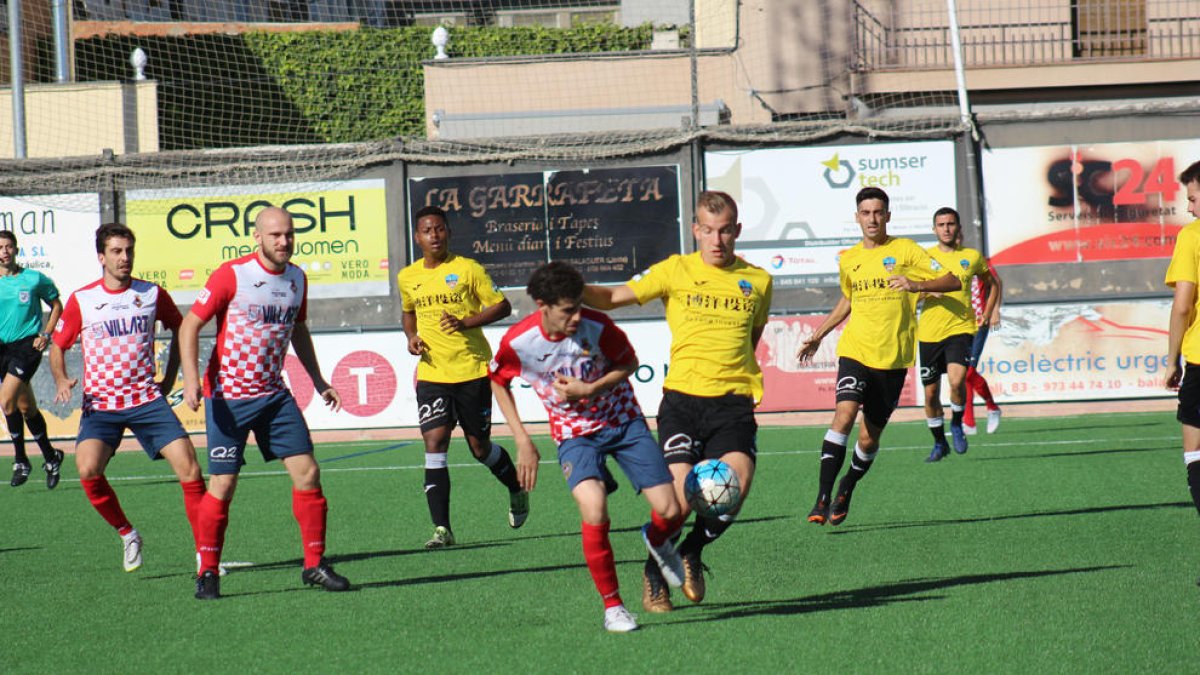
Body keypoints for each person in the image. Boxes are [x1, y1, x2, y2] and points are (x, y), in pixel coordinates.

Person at [582, 190, 772, 613]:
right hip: (683, 402)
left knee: (731, 492)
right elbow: (613, 298)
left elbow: (750, 338)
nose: (717, 240)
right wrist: (570, 288)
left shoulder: (758, 281)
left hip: (733, 404)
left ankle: (690, 552)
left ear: (737, 230)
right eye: (708, 231)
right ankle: (654, 571)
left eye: (725, 231)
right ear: (696, 230)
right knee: (682, 501)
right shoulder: (675, 270)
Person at [490, 262, 685, 633]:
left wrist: (592, 389)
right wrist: (521, 438)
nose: (578, 316)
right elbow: (498, 381)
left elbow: (629, 363)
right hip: (573, 433)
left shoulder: (598, 326)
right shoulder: (518, 342)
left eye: (580, 306)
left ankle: (656, 538)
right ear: (541, 304)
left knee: (671, 509)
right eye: (568, 310)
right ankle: (614, 607)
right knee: (594, 508)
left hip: (623, 422)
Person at [180, 206, 349, 600]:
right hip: (229, 397)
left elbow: (298, 329)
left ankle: (314, 565)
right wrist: (190, 379)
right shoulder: (233, 275)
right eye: (275, 235)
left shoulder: (296, 279)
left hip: (274, 394)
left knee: (308, 473)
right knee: (223, 484)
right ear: (257, 237)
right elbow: (190, 324)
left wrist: (318, 379)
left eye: (289, 234)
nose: (283, 241)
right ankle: (207, 572)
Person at [49, 223, 206, 573]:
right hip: (101, 405)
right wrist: (61, 379)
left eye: (129, 251)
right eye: (117, 251)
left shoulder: (151, 294)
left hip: (147, 400)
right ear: (101, 257)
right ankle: (127, 533)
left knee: (190, 468)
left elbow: (181, 328)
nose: (124, 258)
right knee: (87, 469)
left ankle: (204, 556)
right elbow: (58, 345)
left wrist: (169, 376)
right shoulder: (83, 299)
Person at [797, 187, 959, 525]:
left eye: (878, 212)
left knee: (869, 439)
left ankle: (847, 486)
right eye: (866, 213)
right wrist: (818, 335)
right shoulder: (849, 259)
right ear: (857, 217)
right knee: (844, 414)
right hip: (855, 351)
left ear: (888, 215)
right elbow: (847, 301)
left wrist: (916, 285)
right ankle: (822, 497)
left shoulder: (906, 250)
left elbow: (952, 280)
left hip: (893, 360)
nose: (872, 219)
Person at [399, 205, 527, 549]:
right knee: (434, 442)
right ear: (418, 237)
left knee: (479, 448)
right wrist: (410, 337)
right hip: (432, 373)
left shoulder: (468, 269)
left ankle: (515, 488)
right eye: (427, 230)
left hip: (471, 371)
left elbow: (502, 306)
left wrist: (465, 322)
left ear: (448, 233)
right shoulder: (408, 276)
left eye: (440, 229)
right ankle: (442, 529)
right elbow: (408, 313)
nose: (434, 235)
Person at [916, 207, 995, 462]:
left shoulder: (971, 257)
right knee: (930, 394)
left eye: (951, 224)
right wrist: (928, 291)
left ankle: (957, 423)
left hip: (961, 329)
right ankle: (939, 443)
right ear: (934, 229)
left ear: (958, 228)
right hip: (929, 332)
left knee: (957, 381)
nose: (946, 228)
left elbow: (993, 283)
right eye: (941, 224)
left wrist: (989, 310)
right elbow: (911, 292)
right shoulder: (924, 257)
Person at [0, 231, 64, 489]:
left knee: (6, 400)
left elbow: (57, 304)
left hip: (27, 346)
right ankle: (51, 457)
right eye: (0, 247)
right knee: (25, 407)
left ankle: (21, 460)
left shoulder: (33, 278)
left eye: (8, 246)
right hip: (2, 349)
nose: (4, 251)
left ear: (16, 250)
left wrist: (46, 333)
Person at [1164, 159, 1200, 585]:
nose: (1189, 208)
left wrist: (1171, 358)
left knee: (1195, 454)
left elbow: (1183, 304)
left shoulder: (1192, 236)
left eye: (1192, 198)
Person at [961, 233, 1003, 436]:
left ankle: (990, 407)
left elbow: (996, 282)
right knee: (963, 374)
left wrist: (994, 310)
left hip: (980, 321)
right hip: (959, 324)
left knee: (968, 371)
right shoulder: (943, 262)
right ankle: (969, 422)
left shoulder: (975, 259)